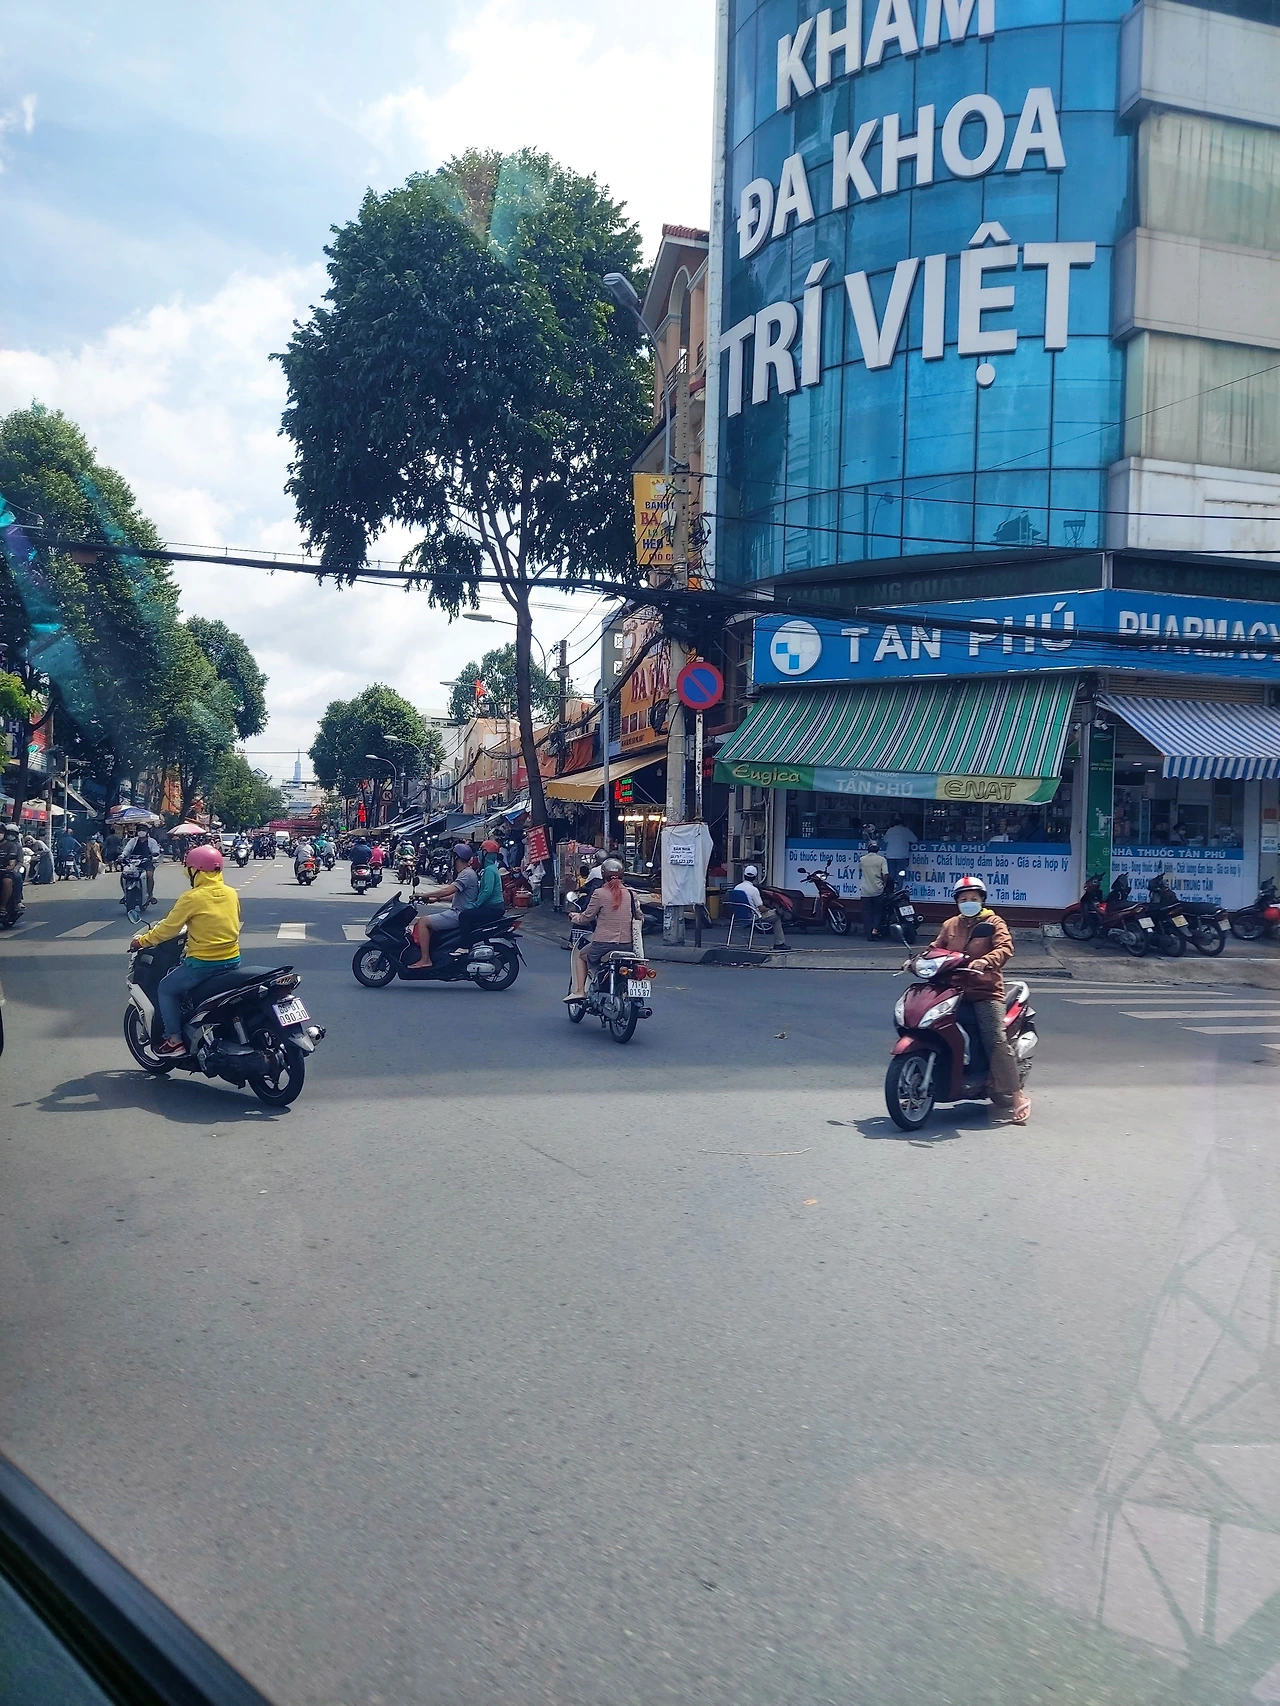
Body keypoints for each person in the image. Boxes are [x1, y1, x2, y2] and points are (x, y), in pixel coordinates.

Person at [921, 875, 1029, 1126]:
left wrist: (986, 961)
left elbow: (1005, 948)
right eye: (963, 899)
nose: (968, 902)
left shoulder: (993, 922)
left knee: (995, 1039)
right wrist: (918, 960)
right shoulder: (950, 924)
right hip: (952, 989)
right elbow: (935, 948)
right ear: (957, 902)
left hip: (985, 991)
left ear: (982, 900)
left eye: (973, 898)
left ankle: (1016, 1096)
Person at [129, 844, 243, 1056]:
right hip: (232, 960)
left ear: (197, 870)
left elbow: (168, 929)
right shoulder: (231, 893)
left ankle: (174, 1039)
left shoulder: (192, 897)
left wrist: (142, 941)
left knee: (166, 988)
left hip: (203, 964)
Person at [567, 858, 643, 999]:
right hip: (627, 945)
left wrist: (575, 917)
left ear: (603, 875)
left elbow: (586, 917)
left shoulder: (599, 893)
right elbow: (639, 916)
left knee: (581, 956)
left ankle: (580, 991)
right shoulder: (631, 894)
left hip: (602, 944)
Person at [411, 842, 479, 966]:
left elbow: (447, 891)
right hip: (458, 912)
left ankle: (425, 960)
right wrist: (436, 899)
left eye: (452, 857)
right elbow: (455, 896)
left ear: (456, 858)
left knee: (423, 922)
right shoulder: (466, 873)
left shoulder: (467, 874)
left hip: (459, 914)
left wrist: (423, 894)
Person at [727, 864, 789, 950]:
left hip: (738, 915)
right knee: (777, 916)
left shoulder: (737, 887)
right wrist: (770, 909)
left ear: (744, 875)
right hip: (753, 915)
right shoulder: (754, 890)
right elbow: (761, 908)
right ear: (755, 877)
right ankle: (779, 943)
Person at [858, 839, 890, 939]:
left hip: (865, 890)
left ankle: (868, 934)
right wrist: (884, 883)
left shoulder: (862, 859)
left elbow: (860, 870)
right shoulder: (881, 860)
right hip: (877, 889)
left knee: (867, 913)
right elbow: (885, 874)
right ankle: (875, 929)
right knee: (878, 911)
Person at [122, 825, 161, 904]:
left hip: (147, 862)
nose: (141, 831)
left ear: (147, 831)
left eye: (143, 830)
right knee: (123, 875)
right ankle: (125, 895)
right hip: (133, 862)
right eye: (139, 829)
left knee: (149, 875)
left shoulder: (152, 841)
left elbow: (156, 851)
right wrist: (122, 856)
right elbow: (127, 849)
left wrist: (154, 856)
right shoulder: (133, 841)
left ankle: (150, 895)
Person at [0, 826, 24, 922]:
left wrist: (12, 867)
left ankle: (16, 901)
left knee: (14, 878)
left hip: (9, 870)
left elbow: (15, 860)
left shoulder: (14, 846)